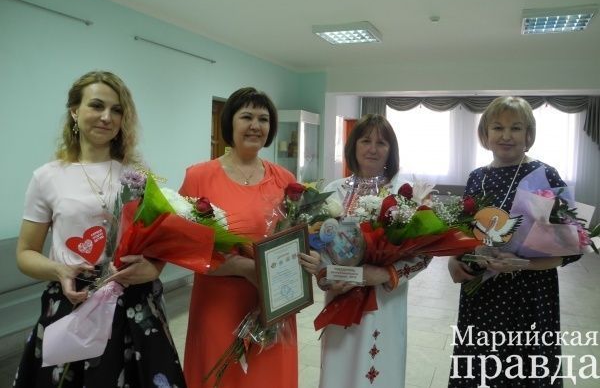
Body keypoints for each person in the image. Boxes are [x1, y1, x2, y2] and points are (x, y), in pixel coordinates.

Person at [13, 71, 187, 387]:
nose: (107, 117)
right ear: (74, 111)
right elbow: (25, 254)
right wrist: (59, 269)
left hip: (134, 306)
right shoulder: (47, 177)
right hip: (73, 302)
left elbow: (158, 245)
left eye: (116, 110)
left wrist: (154, 267)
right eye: (96, 106)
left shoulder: (138, 176)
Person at [180, 87, 320, 388]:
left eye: (263, 119)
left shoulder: (285, 180)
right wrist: (242, 267)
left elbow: (297, 236)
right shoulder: (199, 177)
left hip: (273, 305)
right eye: (246, 117)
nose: (255, 125)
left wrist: (309, 258)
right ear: (230, 122)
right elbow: (182, 247)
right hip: (219, 303)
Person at [447, 96, 580, 388]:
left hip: (529, 295)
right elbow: (462, 234)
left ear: (528, 135)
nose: (506, 135)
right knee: (480, 368)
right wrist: (454, 261)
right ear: (485, 134)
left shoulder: (544, 174)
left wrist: (524, 263)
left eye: (516, 128)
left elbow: (573, 245)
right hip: (481, 294)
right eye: (498, 127)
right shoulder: (476, 177)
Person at [318, 114, 430, 388]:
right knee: (338, 369)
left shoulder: (405, 194)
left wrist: (385, 273)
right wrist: (326, 277)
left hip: (385, 301)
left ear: (391, 150)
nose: (372, 149)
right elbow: (318, 247)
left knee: (379, 371)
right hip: (340, 296)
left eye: (381, 143)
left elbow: (424, 254)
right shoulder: (333, 191)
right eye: (365, 140)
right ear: (353, 145)